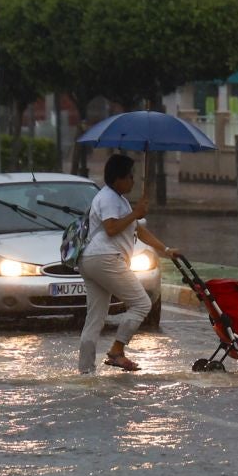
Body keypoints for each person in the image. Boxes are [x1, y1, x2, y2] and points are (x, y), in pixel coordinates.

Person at [78, 153, 181, 373]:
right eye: (130, 176)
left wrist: (165, 250)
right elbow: (111, 228)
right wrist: (135, 212)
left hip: (92, 259)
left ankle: (85, 372)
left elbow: (139, 231)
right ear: (118, 178)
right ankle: (117, 350)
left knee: (95, 318)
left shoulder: (119, 199)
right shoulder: (107, 198)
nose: (133, 181)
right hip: (105, 258)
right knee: (142, 303)